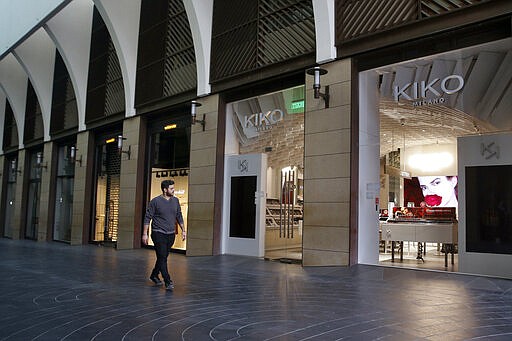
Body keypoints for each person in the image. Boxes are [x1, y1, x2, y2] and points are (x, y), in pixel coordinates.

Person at [142, 179, 186, 290]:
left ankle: (154, 275)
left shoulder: (175, 201)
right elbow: (147, 218)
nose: (173, 190)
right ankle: (168, 281)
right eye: (171, 188)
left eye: (173, 188)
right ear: (165, 190)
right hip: (158, 233)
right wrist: (145, 234)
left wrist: (183, 230)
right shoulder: (155, 201)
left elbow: (179, 216)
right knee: (162, 257)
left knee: (162, 257)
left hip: (171, 234)